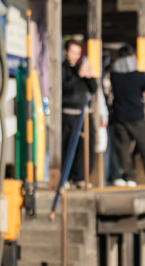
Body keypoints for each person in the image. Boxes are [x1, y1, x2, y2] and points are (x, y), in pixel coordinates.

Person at [109, 46, 145, 188]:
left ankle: (129, 177)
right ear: (132, 56)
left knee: (123, 148)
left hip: (119, 115)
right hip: (136, 115)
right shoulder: (139, 74)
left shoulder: (113, 74)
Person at [61, 39, 97, 187]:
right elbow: (64, 87)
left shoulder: (79, 68)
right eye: (73, 52)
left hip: (84, 113)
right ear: (65, 51)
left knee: (86, 145)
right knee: (67, 145)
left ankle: (80, 177)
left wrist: (90, 76)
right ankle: (65, 177)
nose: (75, 56)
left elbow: (93, 88)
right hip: (67, 112)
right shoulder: (62, 68)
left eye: (78, 53)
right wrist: (79, 76)